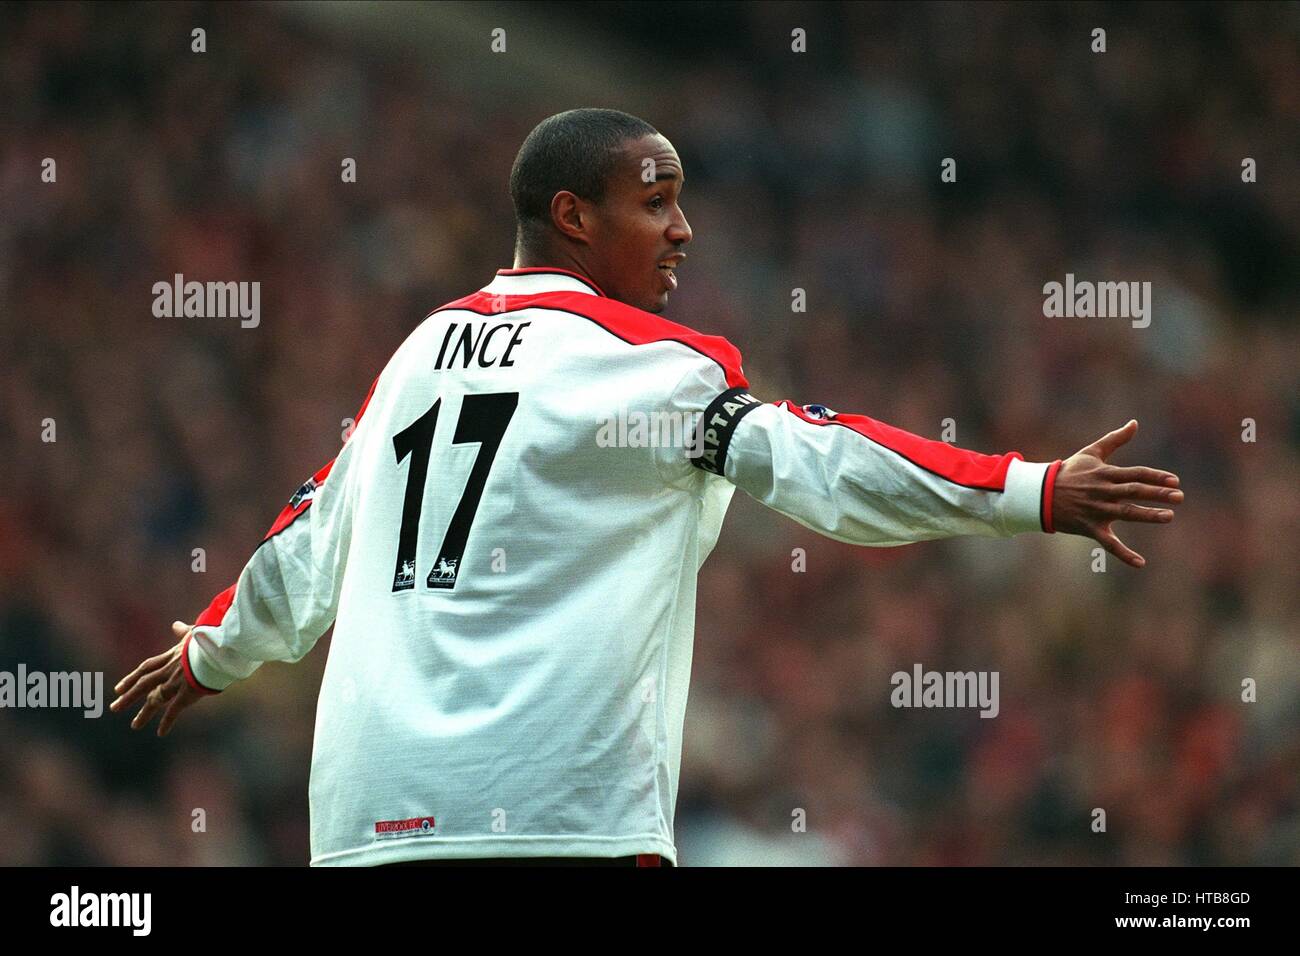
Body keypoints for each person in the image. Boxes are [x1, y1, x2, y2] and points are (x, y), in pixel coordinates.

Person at [111, 108, 1184, 867]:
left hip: (364, 819)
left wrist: (211, 653)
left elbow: (307, 545)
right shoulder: (648, 362)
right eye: (657, 202)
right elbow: (818, 459)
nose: (683, 229)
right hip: (552, 818)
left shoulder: (412, 357)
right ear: (572, 216)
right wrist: (1027, 487)